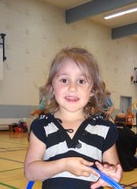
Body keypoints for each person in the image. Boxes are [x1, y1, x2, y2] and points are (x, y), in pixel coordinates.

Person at [24, 47, 122, 189]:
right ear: (52, 88)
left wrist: (112, 175)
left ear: (92, 91)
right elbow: (30, 172)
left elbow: (114, 169)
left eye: (81, 81)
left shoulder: (104, 129)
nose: (72, 87)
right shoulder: (42, 127)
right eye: (64, 80)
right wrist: (64, 165)